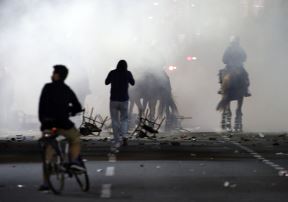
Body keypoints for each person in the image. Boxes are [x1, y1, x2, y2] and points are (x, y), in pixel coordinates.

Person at [38, 65, 84, 191]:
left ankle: (46, 183)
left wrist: (44, 124)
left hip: (48, 125)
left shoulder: (47, 88)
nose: (52, 75)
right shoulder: (66, 89)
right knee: (75, 139)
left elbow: (41, 108)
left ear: (57, 75)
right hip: (63, 124)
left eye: (54, 73)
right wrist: (69, 111)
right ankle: (73, 161)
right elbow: (77, 107)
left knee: (48, 152)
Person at [105, 60, 135, 152]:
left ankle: (117, 140)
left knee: (115, 120)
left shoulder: (112, 72)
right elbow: (133, 83)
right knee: (124, 119)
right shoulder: (128, 73)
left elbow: (106, 82)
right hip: (124, 100)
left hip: (113, 100)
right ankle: (125, 136)